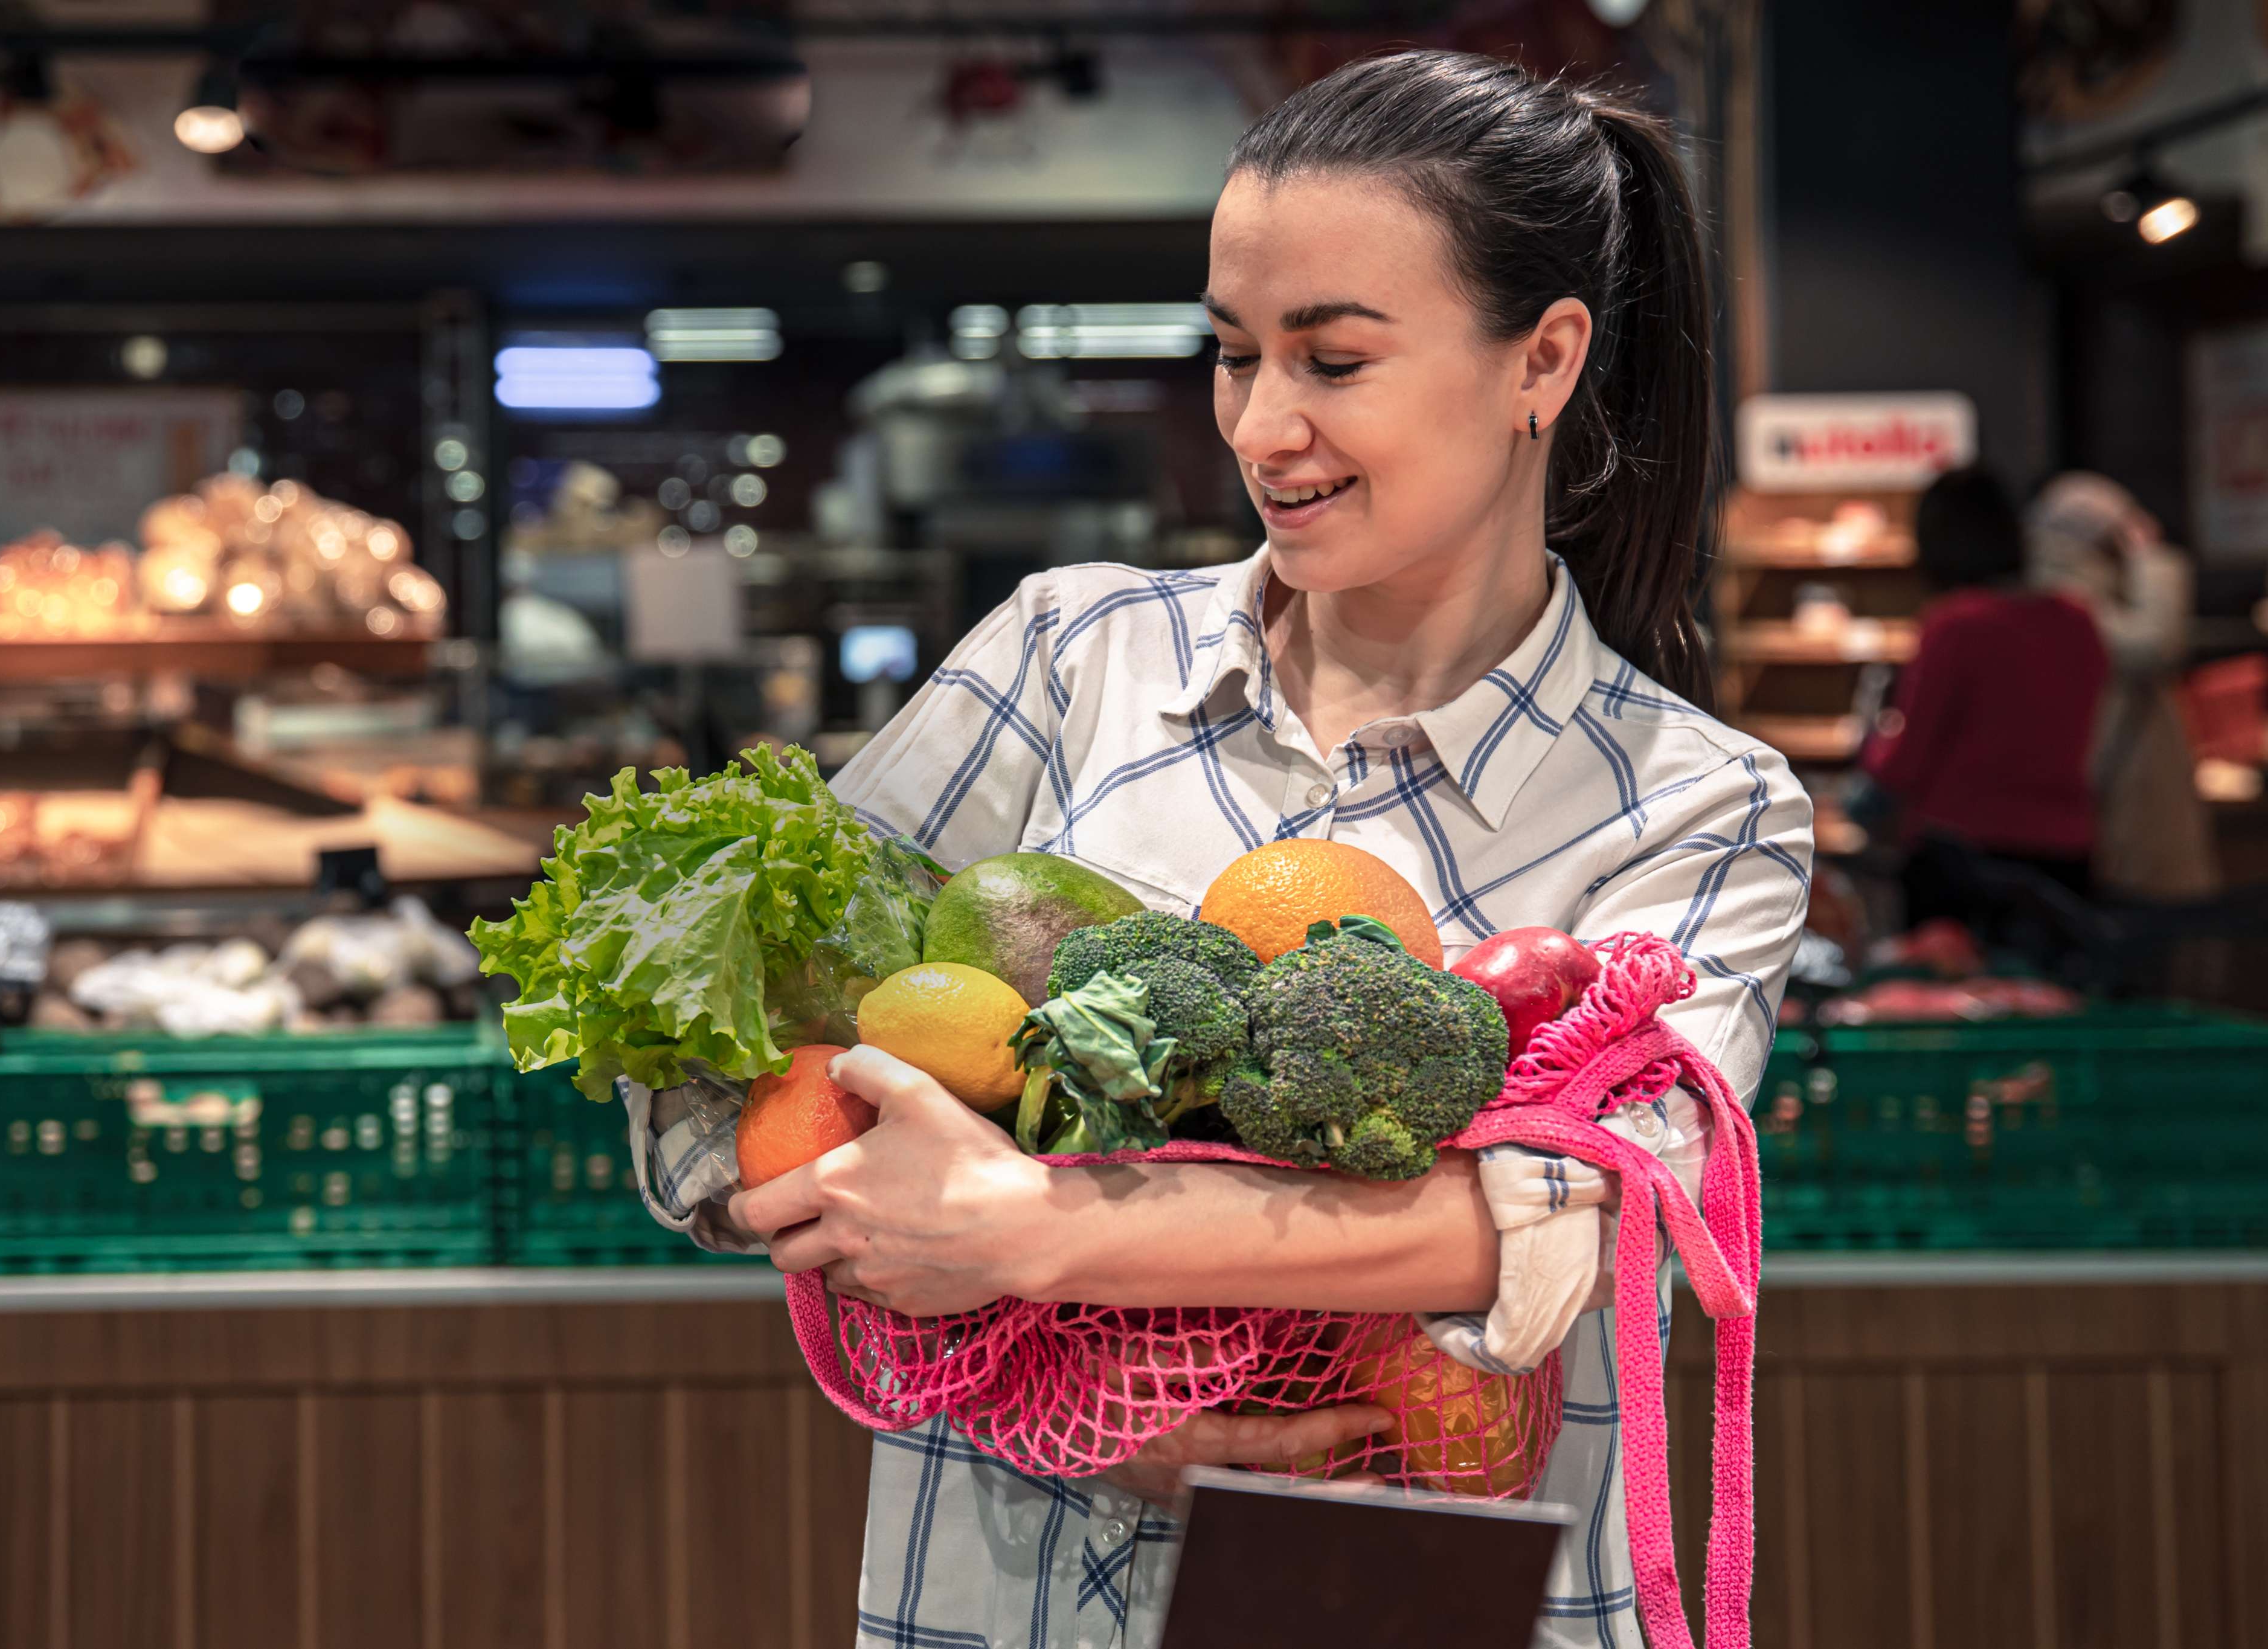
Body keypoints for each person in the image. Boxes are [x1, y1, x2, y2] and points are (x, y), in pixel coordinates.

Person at [632, 51, 1811, 1649]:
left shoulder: (1700, 806)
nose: (1265, 426)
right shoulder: (1070, 659)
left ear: (1541, 360)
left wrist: (1047, 1240)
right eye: (1233, 354)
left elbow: (1592, 1209)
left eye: (1332, 359)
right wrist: (1042, 1363)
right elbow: (706, 1063)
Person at [1863, 468, 2110, 932]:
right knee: (2057, 998)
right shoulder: (2078, 621)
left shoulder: (1956, 624)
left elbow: (1903, 765)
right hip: (2066, 857)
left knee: (1948, 997)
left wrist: (1870, 746)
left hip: (1963, 864)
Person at [2025, 471, 2220, 902]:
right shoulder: (2070, 600)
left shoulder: (2077, 596)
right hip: (2117, 806)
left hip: (2108, 800)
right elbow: (2156, 644)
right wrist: (2151, 556)